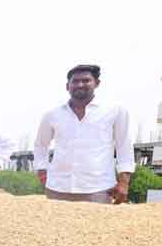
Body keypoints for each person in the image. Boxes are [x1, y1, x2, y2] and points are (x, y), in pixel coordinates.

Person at [34, 64, 134, 204]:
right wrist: (43, 174)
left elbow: (124, 146)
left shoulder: (115, 110)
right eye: (75, 81)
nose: (80, 84)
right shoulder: (52, 115)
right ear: (67, 86)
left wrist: (124, 183)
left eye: (86, 80)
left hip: (99, 189)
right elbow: (40, 145)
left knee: (96, 226)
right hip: (57, 188)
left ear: (97, 83)